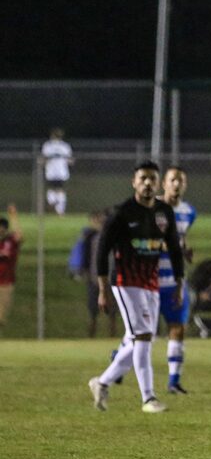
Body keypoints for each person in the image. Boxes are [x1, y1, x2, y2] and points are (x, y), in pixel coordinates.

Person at [87, 161, 184, 414]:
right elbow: (102, 251)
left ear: (157, 181)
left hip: (150, 283)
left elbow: (174, 248)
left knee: (138, 338)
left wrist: (180, 282)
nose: (148, 183)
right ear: (134, 183)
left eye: (152, 178)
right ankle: (148, 398)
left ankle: (102, 382)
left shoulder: (163, 212)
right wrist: (102, 288)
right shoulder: (121, 213)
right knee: (143, 337)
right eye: (143, 178)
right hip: (125, 281)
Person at [158, 166, 197, 394]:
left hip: (175, 281)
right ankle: (118, 362)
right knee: (139, 336)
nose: (176, 184)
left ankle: (173, 381)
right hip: (150, 281)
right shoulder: (153, 208)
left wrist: (185, 251)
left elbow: (180, 240)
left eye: (180, 181)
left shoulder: (189, 212)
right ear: (164, 183)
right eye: (172, 180)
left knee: (178, 329)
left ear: (185, 185)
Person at [81, 210, 118, 338]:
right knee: (93, 312)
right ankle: (91, 337)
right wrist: (85, 271)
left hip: (111, 280)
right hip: (94, 279)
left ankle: (112, 336)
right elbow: (87, 257)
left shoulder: (116, 239)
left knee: (112, 313)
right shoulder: (91, 238)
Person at [40, 128, 74, 216]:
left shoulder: (47, 145)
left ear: (52, 136)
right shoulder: (65, 146)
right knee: (60, 190)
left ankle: (52, 203)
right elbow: (70, 160)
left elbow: (44, 159)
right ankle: (60, 211)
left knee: (51, 189)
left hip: (51, 172)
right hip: (62, 172)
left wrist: (42, 163)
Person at [0, 204, 23, 331]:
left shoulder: (10, 241)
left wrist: (13, 216)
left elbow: (19, 235)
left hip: (6, 284)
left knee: (1, 318)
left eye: (2, 228)